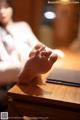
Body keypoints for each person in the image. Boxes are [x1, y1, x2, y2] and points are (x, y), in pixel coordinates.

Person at [0, 0, 63, 86]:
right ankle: (27, 72)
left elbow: (36, 44)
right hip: (14, 62)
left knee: (32, 54)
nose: (2, 11)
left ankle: (28, 70)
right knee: (12, 65)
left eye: (6, 7)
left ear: (12, 8)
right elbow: (4, 58)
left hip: (29, 55)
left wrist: (51, 51)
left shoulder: (22, 25)